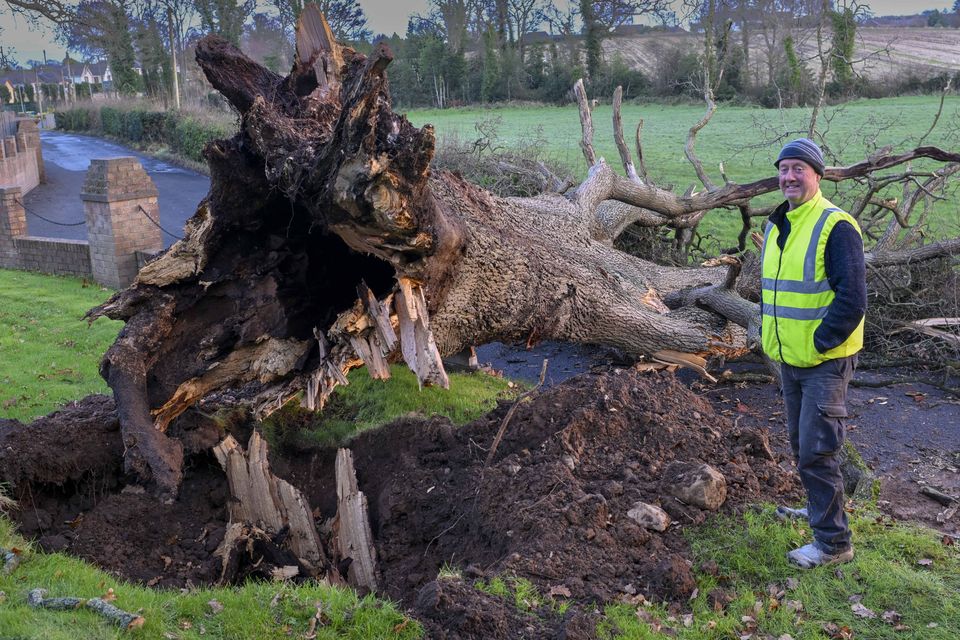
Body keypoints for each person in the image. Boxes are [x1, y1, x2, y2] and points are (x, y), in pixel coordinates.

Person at [760, 138, 867, 568]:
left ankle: (833, 543)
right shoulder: (777, 224)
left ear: (817, 175)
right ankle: (820, 510)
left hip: (824, 360)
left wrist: (820, 342)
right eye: (784, 169)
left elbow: (853, 299)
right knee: (802, 443)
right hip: (789, 358)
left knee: (818, 450)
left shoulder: (834, 226)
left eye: (798, 169)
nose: (789, 176)